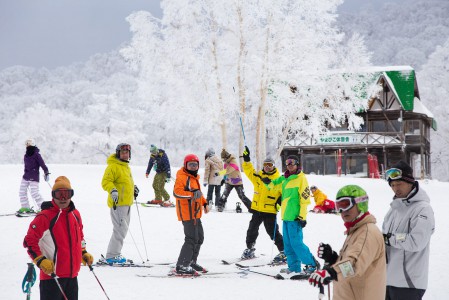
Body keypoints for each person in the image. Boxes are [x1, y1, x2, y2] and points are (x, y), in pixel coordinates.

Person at [308, 185, 386, 300]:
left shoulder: (367, 232)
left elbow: (354, 264)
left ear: (361, 203)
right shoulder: (356, 230)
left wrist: (332, 272)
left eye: (346, 204)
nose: (343, 211)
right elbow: (353, 259)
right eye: (339, 206)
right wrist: (334, 259)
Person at [23, 176, 93, 300]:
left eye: (67, 194)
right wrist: (40, 260)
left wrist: (83, 252)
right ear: (53, 195)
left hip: (72, 276)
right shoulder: (45, 217)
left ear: (71, 195)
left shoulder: (75, 214)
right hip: (52, 277)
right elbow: (29, 241)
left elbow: (80, 236)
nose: (63, 198)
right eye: (59, 194)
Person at [382, 161, 435, 300]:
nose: (395, 188)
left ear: (410, 182)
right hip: (388, 281)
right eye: (392, 185)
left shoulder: (423, 209)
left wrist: (390, 238)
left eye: (399, 184)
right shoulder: (393, 209)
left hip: (408, 284)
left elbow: (416, 241)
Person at [265, 155, 318, 276]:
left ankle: (311, 264)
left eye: (292, 163)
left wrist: (302, 217)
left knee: (297, 243)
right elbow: (274, 185)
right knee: (288, 244)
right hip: (286, 217)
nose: (290, 166)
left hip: (295, 218)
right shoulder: (285, 178)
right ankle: (294, 267)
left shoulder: (301, 178)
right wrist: (267, 182)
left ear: (297, 164)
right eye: (287, 164)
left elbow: (304, 199)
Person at [241, 146, 285, 264]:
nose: (267, 167)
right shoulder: (258, 177)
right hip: (257, 209)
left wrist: (279, 203)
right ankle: (250, 249)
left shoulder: (278, 179)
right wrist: (246, 160)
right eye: (265, 165)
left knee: (272, 232)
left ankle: (284, 251)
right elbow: (249, 171)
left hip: (270, 211)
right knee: (251, 230)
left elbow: (283, 194)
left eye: (270, 165)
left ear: (273, 166)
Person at [101, 143, 139, 264]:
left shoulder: (125, 166)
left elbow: (125, 182)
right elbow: (106, 181)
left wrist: (134, 188)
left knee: (123, 230)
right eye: (122, 152)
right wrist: (112, 190)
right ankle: (112, 255)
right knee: (119, 229)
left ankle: (114, 253)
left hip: (127, 203)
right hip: (118, 204)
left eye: (127, 152)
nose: (125, 154)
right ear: (118, 153)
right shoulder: (113, 166)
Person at [173, 154, 210, 276]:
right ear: (185, 165)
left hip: (196, 213)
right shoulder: (182, 177)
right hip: (187, 214)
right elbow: (177, 193)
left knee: (199, 237)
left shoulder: (194, 178)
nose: (193, 167)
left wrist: (204, 203)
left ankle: (191, 261)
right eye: (190, 165)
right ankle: (182, 265)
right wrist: (191, 194)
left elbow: (198, 193)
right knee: (191, 239)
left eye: (195, 165)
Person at [18, 138, 50, 214]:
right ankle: (25, 207)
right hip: (25, 176)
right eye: (26, 144)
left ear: (33, 144)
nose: (27, 145)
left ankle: (42, 208)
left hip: (34, 176)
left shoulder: (36, 154)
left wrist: (46, 172)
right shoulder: (26, 155)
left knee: (34, 193)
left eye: (29, 143)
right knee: (21, 192)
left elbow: (42, 164)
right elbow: (26, 166)